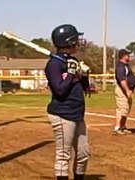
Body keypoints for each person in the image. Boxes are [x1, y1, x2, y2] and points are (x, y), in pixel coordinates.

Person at [45, 24, 91, 180]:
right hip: (62, 113)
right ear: (68, 42)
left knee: (83, 153)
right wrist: (71, 73)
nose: (78, 42)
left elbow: (85, 89)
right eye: (75, 39)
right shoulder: (54, 64)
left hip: (77, 113)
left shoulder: (72, 60)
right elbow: (59, 90)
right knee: (64, 155)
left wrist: (84, 75)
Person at [113, 49, 135, 135]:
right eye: (128, 55)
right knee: (122, 108)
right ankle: (117, 127)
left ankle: (122, 126)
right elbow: (122, 79)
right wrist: (127, 90)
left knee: (126, 109)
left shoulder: (126, 66)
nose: (129, 56)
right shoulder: (121, 66)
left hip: (127, 90)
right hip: (122, 90)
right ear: (124, 56)